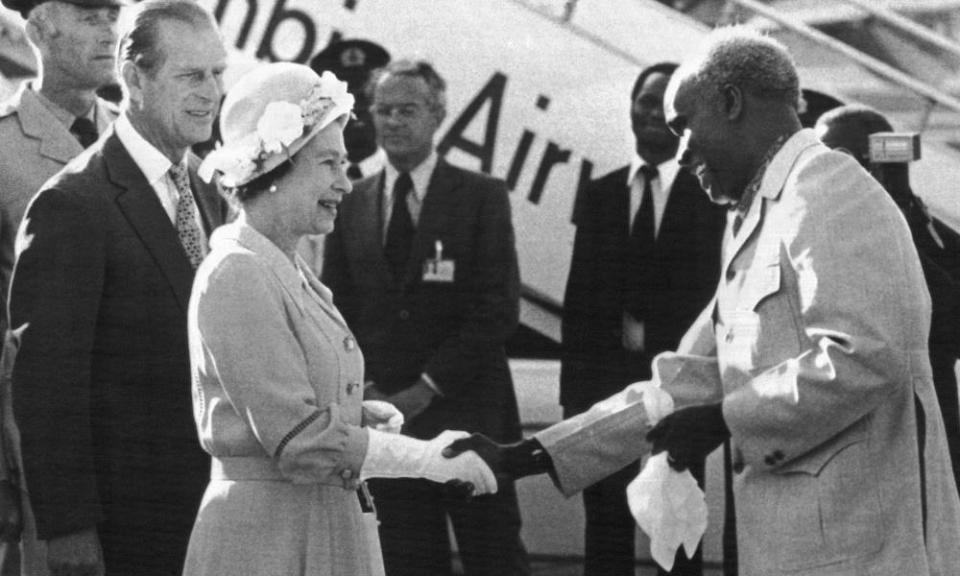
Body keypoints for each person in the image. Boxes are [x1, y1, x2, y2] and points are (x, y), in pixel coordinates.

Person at [447, 26, 960, 575]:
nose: (681, 150)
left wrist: (725, 418)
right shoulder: (756, 217)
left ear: (731, 102)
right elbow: (684, 380)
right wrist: (525, 456)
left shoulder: (830, 188)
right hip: (796, 553)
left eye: (684, 126)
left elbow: (865, 355)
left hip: (861, 555)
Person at [182, 61, 496, 576]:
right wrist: (421, 458)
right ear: (276, 168)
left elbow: (292, 400)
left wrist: (356, 413)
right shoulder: (237, 273)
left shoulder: (284, 267)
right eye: (330, 163)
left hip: (312, 521)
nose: (346, 184)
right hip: (267, 540)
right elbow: (299, 441)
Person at [6, 0, 228, 574]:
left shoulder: (206, 191)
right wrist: (68, 528)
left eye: (217, 74)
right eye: (190, 76)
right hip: (123, 522)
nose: (211, 93)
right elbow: (49, 381)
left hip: (204, 508)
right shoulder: (71, 202)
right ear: (135, 79)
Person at [322, 59, 530, 576]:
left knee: (494, 556)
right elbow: (339, 309)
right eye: (383, 110)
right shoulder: (351, 200)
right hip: (388, 422)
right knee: (407, 559)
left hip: (470, 415)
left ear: (438, 114)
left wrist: (425, 388)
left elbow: (497, 308)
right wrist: (367, 389)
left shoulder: (481, 196)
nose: (393, 121)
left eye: (407, 110)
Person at [560, 61, 723, 576]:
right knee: (604, 526)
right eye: (643, 100)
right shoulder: (602, 192)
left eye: (663, 103)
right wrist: (575, 397)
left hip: (676, 389)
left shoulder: (709, 196)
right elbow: (578, 301)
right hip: (605, 388)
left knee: (676, 527)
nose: (651, 112)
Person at [0, 0, 121, 571]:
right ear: (39, 30)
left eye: (112, 14)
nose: (109, 29)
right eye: (89, 15)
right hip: (38, 443)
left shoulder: (139, 139)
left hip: (142, 430)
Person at [816, 104, 960, 492]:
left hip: (924, 432)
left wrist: (894, 208)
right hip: (846, 441)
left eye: (839, 158)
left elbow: (951, 324)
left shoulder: (932, 235)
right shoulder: (811, 237)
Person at [298, 38, 390, 275]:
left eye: (365, 99)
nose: (357, 111)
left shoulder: (401, 181)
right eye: (345, 101)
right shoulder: (303, 183)